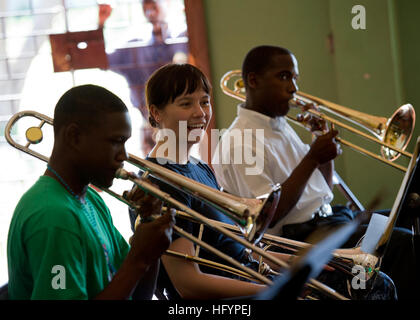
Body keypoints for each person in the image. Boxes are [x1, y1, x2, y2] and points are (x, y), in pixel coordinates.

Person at [129, 63, 396, 300]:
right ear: (156, 112)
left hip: (251, 277)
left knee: (372, 280)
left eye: (205, 101)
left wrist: (297, 263)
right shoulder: (161, 184)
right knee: (371, 289)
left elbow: (237, 248)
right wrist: (276, 288)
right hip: (239, 294)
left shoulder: (197, 167)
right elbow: (189, 285)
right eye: (186, 103)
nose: (201, 113)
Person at [211, 45, 416, 299]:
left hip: (329, 220)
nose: (294, 89)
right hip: (302, 240)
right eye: (284, 76)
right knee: (403, 245)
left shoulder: (279, 124)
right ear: (253, 81)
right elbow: (268, 216)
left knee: (409, 213)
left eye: (295, 78)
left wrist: (320, 146)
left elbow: (322, 191)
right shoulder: (239, 142)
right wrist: (312, 157)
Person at [7, 84, 175, 300]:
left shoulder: (91, 198)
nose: (123, 155)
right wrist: (139, 259)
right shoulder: (54, 216)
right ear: (74, 137)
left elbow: (139, 295)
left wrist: (149, 231)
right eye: (116, 142)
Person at [98, 0, 188, 156]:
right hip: (149, 127)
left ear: (167, 4)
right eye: (146, 8)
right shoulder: (134, 49)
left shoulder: (182, 42)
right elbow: (99, 59)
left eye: (154, 7)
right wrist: (101, 24)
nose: (150, 13)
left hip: (184, 125)